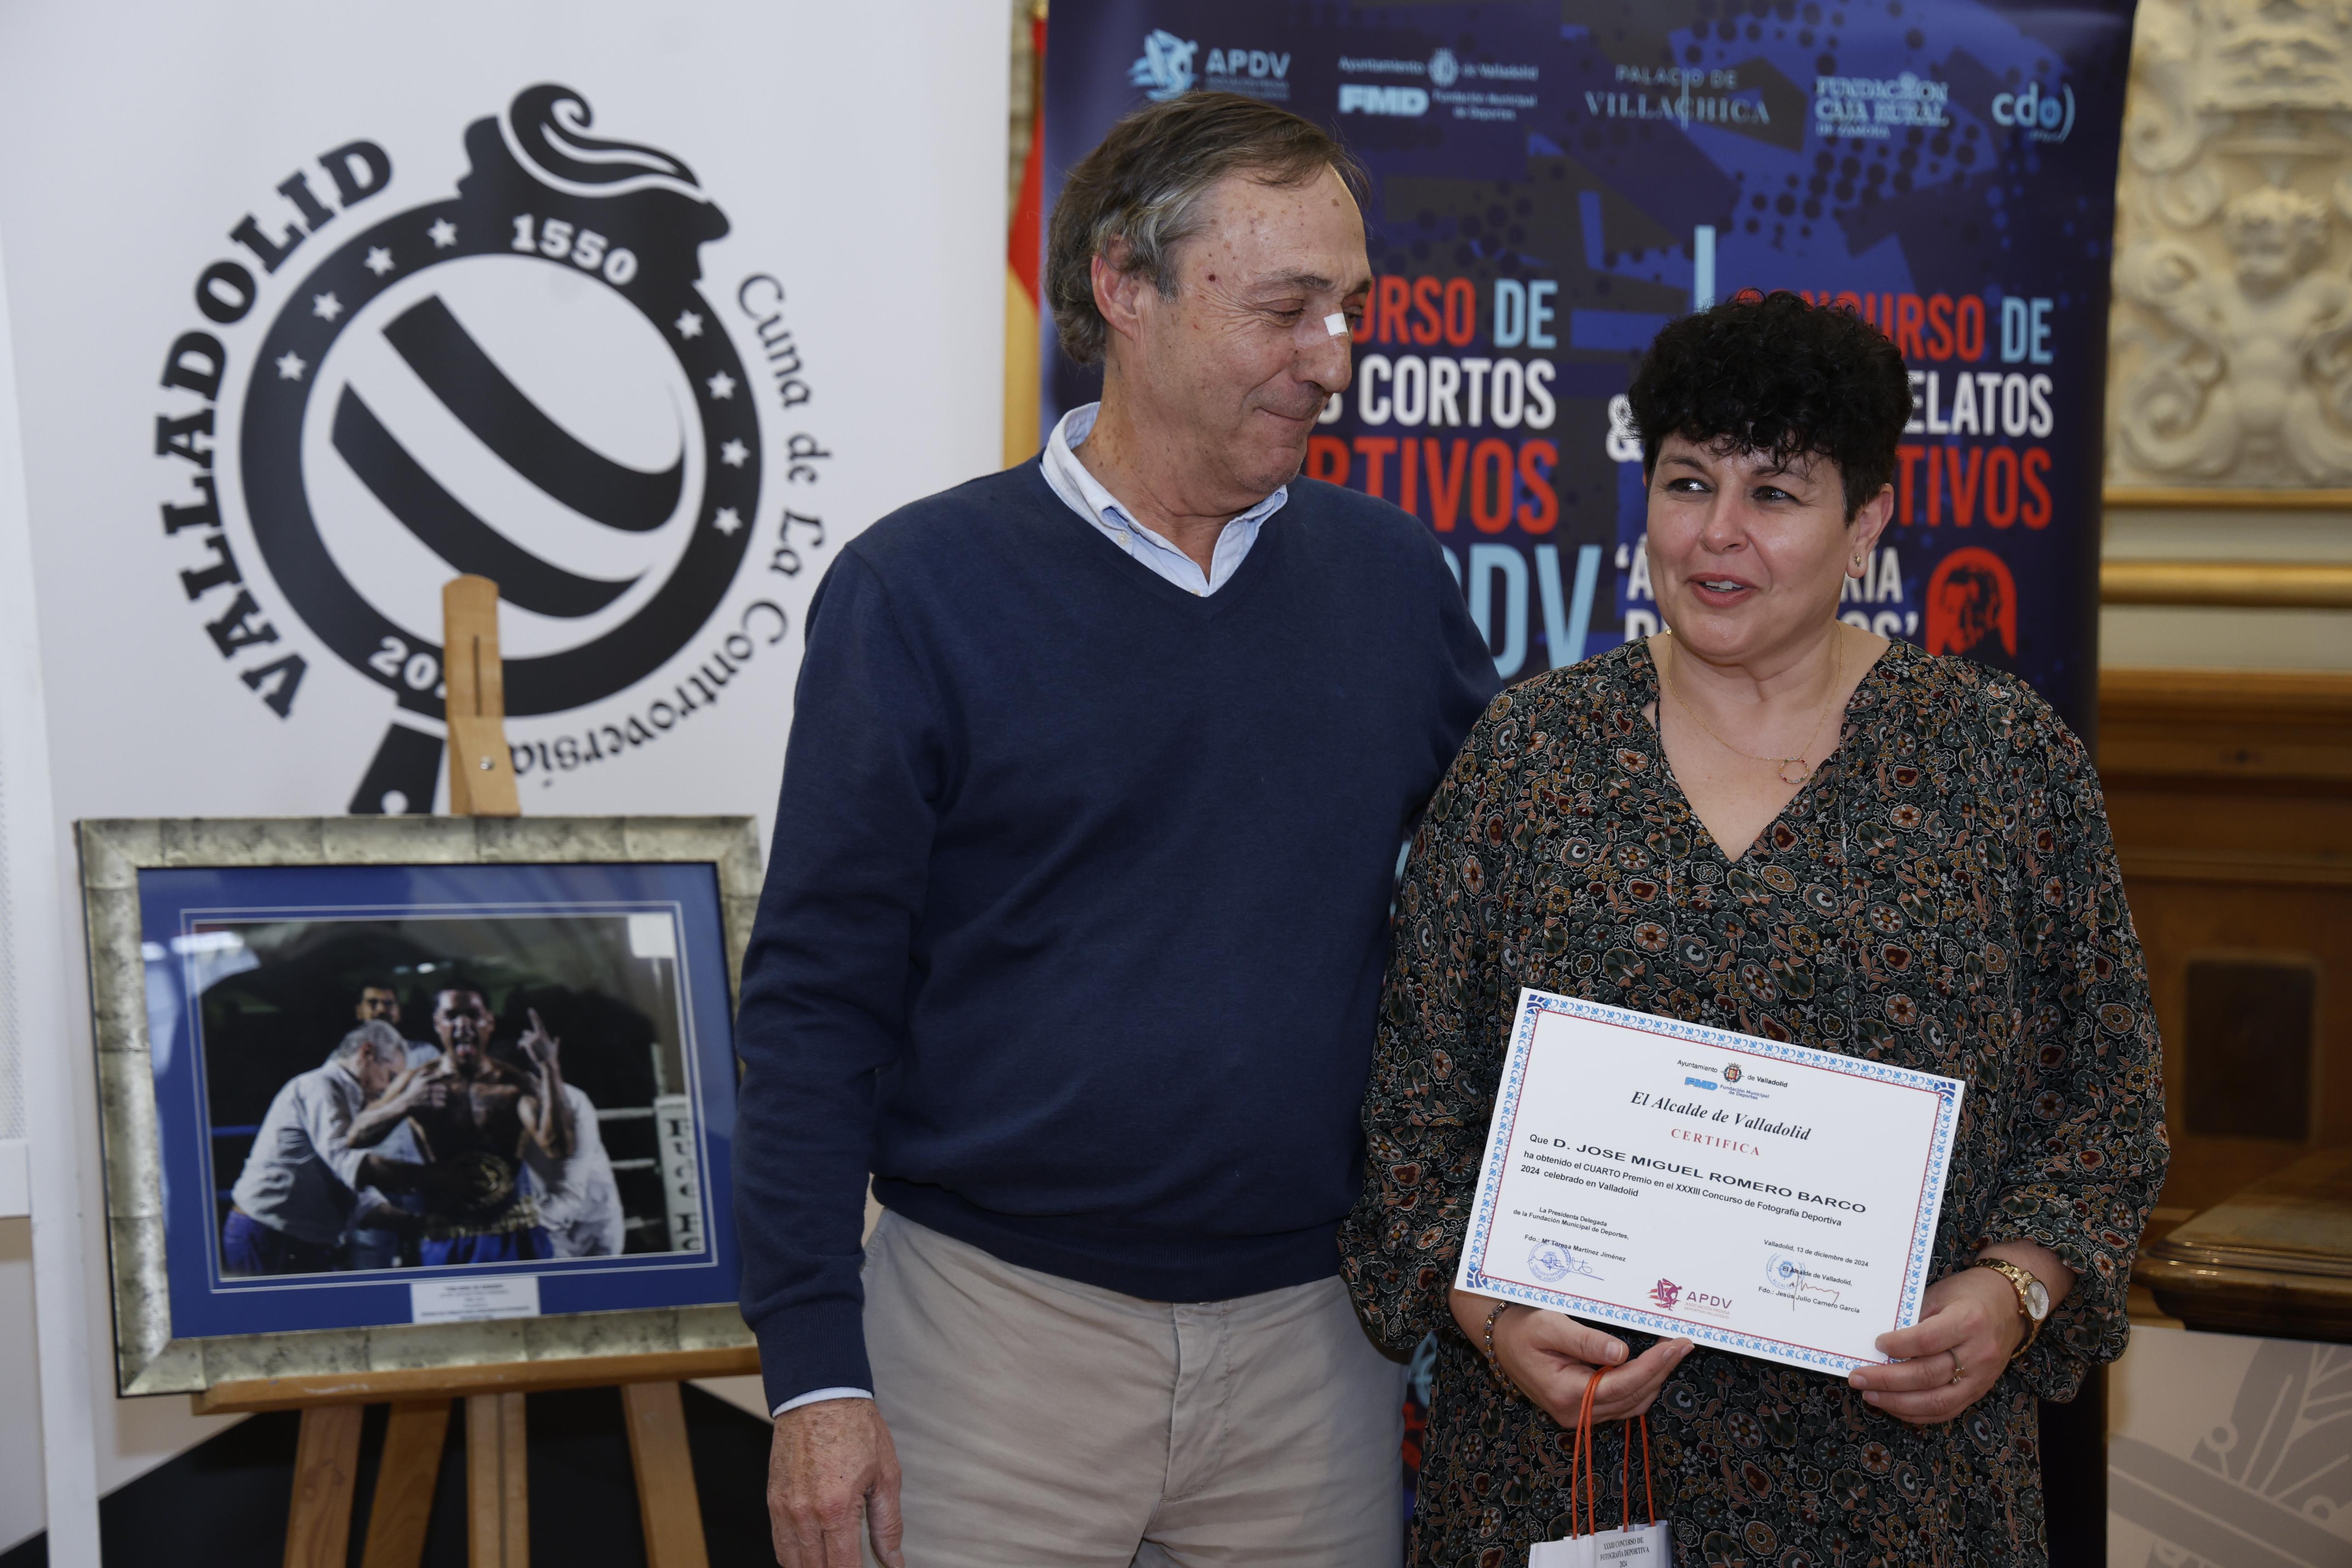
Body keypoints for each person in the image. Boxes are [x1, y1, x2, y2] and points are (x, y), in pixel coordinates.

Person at [735, 91, 1499, 1568]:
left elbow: (1532, 901)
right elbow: (815, 1002)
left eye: (1347, 309)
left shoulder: (1392, 584)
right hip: (990, 1343)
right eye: (1284, 309)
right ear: (1122, 287)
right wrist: (815, 1373)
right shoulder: (916, 593)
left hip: (1313, 1358)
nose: (1332, 356)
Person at [1341, 291, 2168, 1566]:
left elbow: (2108, 1100)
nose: (1717, 531)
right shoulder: (1530, 754)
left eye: (1774, 493)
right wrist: (1489, 1310)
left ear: (1867, 521)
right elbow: (1412, 1104)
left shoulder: (2003, 762)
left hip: (1895, 1482)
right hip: (1566, 1473)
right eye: (1687, 482)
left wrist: (2017, 1287)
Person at [359, 982, 570, 1264]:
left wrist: (549, 1067)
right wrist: (405, 1103)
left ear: (489, 1022)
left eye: (473, 1015)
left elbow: (557, 1148)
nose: (463, 1024)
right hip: (445, 1234)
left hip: (515, 1231)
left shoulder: (515, 1083)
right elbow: (357, 1135)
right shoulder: (417, 1082)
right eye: (452, 1016)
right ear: (438, 1024)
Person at [222, 1020, 426, 1275]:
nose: (388, 1089)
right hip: (269, 1236)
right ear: (367, 1053)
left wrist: (415, 1223)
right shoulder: (321, 1086)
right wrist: (431, 1179)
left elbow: (358, 1194)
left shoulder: (346, 1098)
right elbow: (349, 1164)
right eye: (391, 1077)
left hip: (290, 1238)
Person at [345, 978, 439, 1270]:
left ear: (399, 1011)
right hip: (371, 1186)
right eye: (373, 1003)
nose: (381, 1009)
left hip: (419, 1184)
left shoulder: (425, 1055)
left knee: (426, 1266)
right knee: (373, 1270)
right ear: (359, 1011)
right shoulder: (345, 1060)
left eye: (389, 1003)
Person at [521, 1077, 626, 1258]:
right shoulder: (487, 1105)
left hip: (594, 1218)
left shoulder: (572, 1100)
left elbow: (570, 1195)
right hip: (545, 1227)